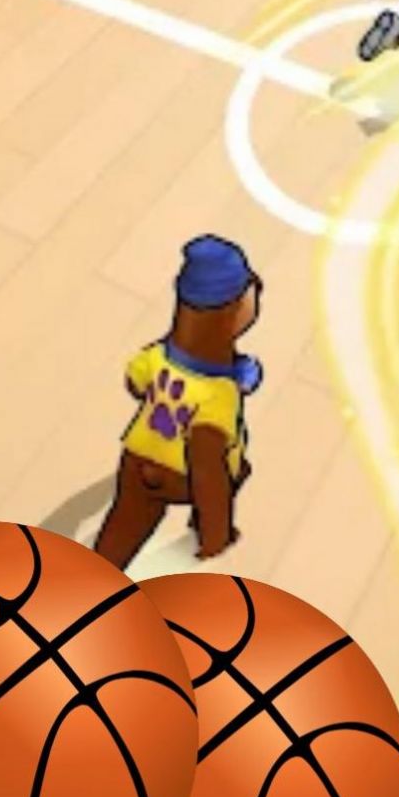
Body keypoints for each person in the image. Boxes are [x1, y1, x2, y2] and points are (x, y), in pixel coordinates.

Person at [94, 235, 263, 570]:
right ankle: (204, 527)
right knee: (234, 471)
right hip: (180, 476)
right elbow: (206, 469)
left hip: (137, 458)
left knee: (123, 526)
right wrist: (216, 535)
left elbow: (134, 381)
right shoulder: (217, 395)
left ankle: (95, 574)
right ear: (233, 312)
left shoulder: (157, 356)